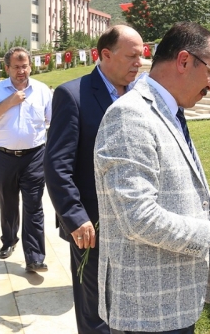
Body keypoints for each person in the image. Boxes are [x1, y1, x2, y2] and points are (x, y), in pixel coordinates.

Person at [94, 21, 210, 334]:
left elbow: (173, 191)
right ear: (183, 61)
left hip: (171, 305)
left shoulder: (169, 111)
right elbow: (137, 217)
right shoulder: (130, 116)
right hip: (146, 309)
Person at [45, 25, 144, 334]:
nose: (138, 63)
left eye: (141, 56)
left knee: (130, 303)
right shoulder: (73, 95)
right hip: (93, 227)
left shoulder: (141, 93)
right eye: (131, 56)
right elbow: (57, 165)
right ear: (105, 55)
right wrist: (75, 217)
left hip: (136, 222)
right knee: (95, 309)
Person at [0, 47, 52, 272]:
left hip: (34, 157)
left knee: (34, 206)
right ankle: (9, 240)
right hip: (4, 157)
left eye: (25, 66)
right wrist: (9, 101)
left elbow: (52, 120)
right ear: (7, 67)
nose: (21, 71)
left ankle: (35, 257)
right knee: (8, 204)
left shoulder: (42, 90)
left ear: (31, 66)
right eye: (16, 67)